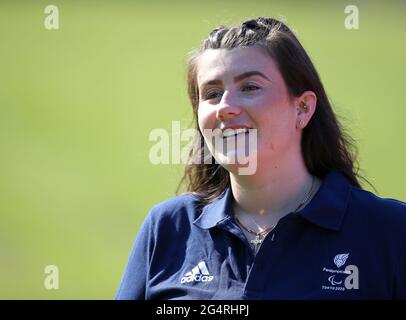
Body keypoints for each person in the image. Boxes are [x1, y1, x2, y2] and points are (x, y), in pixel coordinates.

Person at [116, 17, 406, 300]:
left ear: (303, 108)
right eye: (213, 93)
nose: (225, 108)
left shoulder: (390, 231)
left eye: (250, 87)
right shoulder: (168, 227)